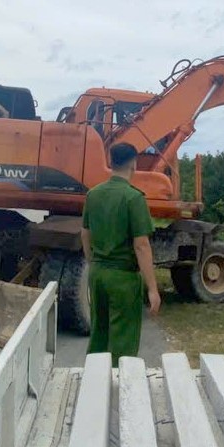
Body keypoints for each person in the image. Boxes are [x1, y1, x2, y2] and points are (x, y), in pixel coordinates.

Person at [81, 143, 161, 366]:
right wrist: (153, 289)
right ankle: (119, 388)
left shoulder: (93, 194)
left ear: (110, 161)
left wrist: (93, 263)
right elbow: (141, 245)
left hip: (98, 273)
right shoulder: (133, 198)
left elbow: (85, 233)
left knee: (99, 332)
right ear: (134, 163)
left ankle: (94, 384)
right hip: (123, 278)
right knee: (123, 339)